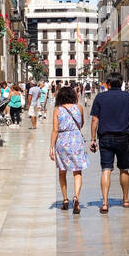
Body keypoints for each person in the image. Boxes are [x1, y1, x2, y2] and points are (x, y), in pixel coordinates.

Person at [90, 73, 129, 213]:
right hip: (123, 137)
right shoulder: (128, 96)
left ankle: (105, 203)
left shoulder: (100, 97)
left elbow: (94, 120)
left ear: (108, 84)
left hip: (105, 137)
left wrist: (93, 139)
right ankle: (125, 200)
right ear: (122, 83)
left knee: (106, 169)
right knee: (124, 169)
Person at [50, 84, 89, 213]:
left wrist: (51, 147)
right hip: (76, 139)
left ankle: (65, 199)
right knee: (77, 171)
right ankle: (76, 197)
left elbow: (55, 129)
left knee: (62, 171)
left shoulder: (57, 109)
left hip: (62, 140)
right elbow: (81, 124)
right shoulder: (79, 108)